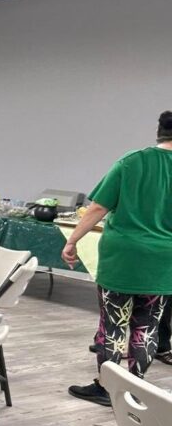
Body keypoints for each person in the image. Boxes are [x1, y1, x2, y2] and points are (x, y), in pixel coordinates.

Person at [65, 111, 172, 406]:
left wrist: (73, 240)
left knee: (112, 324)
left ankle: (107, 388)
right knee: (148, 326)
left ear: (159, 131)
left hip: (123, 257)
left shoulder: (132, 161)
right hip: (164, 261)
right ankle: (136, 388)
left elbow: (98, 208)